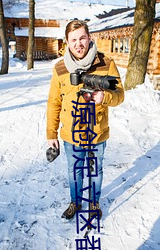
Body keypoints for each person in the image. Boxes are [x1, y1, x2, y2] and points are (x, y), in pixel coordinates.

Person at [46, 20, 124, 220]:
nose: (78, 43)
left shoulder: (106, 64)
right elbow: (54, 102)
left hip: (97, 132)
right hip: (71, 134)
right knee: (75, 171)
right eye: (73, 40)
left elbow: (120, 95)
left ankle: (94, 203)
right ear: (67, 42)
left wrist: (104, 97)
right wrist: (51, 134)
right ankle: (75, 202)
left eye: (82, 38)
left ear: (89, 38)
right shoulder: (60, 68)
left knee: (95, 170)